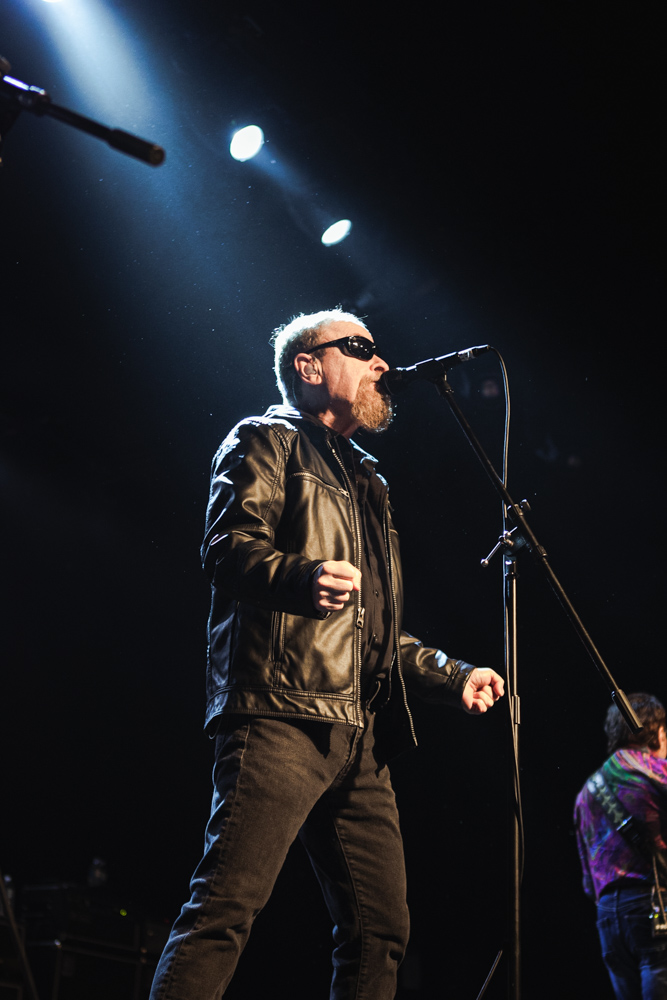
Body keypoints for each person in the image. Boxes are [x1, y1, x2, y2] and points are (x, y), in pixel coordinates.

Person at [149, 308, 505, 1000]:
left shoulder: (369, 479)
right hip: (280, 712)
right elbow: (228, 548)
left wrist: (452, 674)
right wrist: (301, 576)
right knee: (226, 906)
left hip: (360, 733)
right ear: (308, 366)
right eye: (360, 348)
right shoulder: (263, 439)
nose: (381, 363)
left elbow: (374, 626)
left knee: (381, 930)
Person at [574, 693, 667, 999]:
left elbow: (588, 883)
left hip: (607, 919)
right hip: (654, 910)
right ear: (657, 732)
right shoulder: (657, 773)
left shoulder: (586, 792)